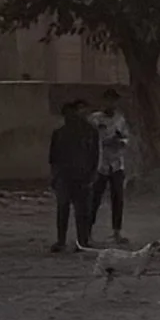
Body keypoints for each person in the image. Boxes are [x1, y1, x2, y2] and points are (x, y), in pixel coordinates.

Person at [49, 98, 99, 252]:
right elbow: (53, 158)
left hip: (81, 176)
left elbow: (95, 156)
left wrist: (92, 174)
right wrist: (55, 177)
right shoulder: (59, 133)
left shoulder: (90, 132)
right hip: (65, 176)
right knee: (65, 209)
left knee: (81, 211)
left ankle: (81, 241)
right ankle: (63, 241)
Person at [90, 88, 131, 243]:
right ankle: (88, 230)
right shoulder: (95, 119)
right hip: (100, 163)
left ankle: (117, 232)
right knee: (95, 199)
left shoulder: (120, 119)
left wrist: (120, 141)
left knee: (118, 199)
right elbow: (91, 139)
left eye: (114, 100)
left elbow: (126, 139)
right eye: (108, 100)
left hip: (116, 164)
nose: (111, 103)